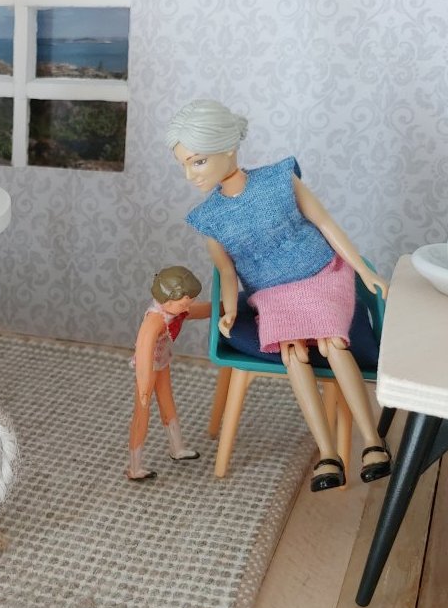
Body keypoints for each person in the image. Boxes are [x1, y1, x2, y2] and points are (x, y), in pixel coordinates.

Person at [166, 99, 392, 492]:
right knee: (292, 351)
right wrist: (230, 309)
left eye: (198, 161)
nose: (190, 174)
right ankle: (328, 455)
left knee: (332, 342)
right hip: (271, 294)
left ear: (228, 148)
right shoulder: (209, 217)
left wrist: (364, 270)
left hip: (321, 274)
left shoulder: (279, 179)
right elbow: (227, 271)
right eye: (184, 164)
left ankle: (373, 442)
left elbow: (325, 223)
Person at [127, 265, 211, 481]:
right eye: (184, 303)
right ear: (167, 299)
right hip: (148, 368)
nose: (187, 307)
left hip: (162, 362)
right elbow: (143, 350)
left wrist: (224, 307)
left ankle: (177, 448)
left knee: (167, 402)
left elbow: (201, 310)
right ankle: (135, 467)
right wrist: (144, 385)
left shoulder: (176, 310)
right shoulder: (155, 320)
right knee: (142, 413)